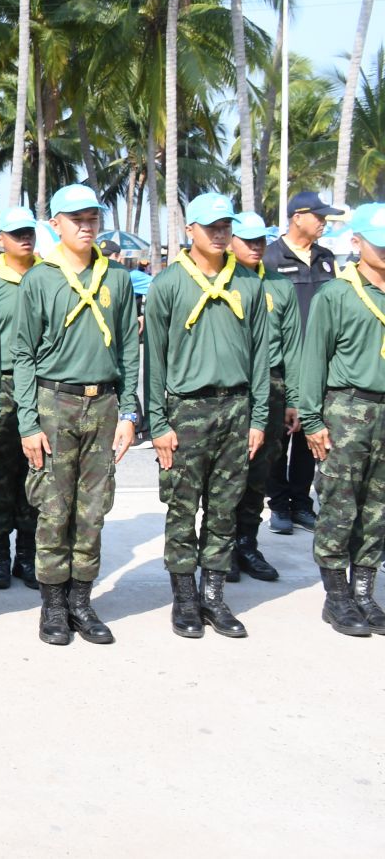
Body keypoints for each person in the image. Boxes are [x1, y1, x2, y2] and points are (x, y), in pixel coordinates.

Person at [14, 185, 141, 645]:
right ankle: (52, 605)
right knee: (53, 507)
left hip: (103, 403)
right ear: (56, 224)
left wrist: (129, 412)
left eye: (92, 218)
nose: (86, 227)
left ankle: (81, 602)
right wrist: (28, 422)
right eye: (76, 219)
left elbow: (129, 350)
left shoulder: (118, 279)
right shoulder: (40, 279)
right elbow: (23, 354)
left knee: (93, 508)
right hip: (55, 402)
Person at [145, 193, 269, 639]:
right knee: (182, 507)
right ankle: (184, 599)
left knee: (224, 508)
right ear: (190, 230)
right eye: (211, 226)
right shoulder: (168, 284)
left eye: (225, 226)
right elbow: (154, 360)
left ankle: (213, 596)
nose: (220, 234)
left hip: (235, 408)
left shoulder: (249, 284)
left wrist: (258, 418)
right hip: (187, 409)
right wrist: (158, 422)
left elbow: (260, 355)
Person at [299, 201, 385, 637]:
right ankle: (337, 597)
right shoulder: (336, 294)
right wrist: (312, 420)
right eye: (380, 244)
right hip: (348, 409)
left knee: (378, 508)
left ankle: (365, 593)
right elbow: (313, 359)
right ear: (356, 242)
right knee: (338, 504)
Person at [262, 190, 343, 533]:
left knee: (311, 433)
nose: (324, 222)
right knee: (279, 436)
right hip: (283, 362)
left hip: (319, 360)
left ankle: (301, 502)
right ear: (297, 217)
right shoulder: (270, 258)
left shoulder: (326, 258)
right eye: (318, 216)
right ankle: (279, 504)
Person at [227, 212, 298, 582]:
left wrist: (294, 399)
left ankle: (247, 544)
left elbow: (293, 347)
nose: (256, 247)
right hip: (232, 384)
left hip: (270, 386)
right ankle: (221, 547)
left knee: (259, 471)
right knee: (225, 473)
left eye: (260, 240)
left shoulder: (280, 286)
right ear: (230, 240)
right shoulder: (222, 281)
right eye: (248, 240)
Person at [0, 206, 40, 591]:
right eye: (16, 233)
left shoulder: (48, 276)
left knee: (36, 472)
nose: (24, 239)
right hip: (2, 384)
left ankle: (27, 555)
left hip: (39, 384)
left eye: (28, 232)